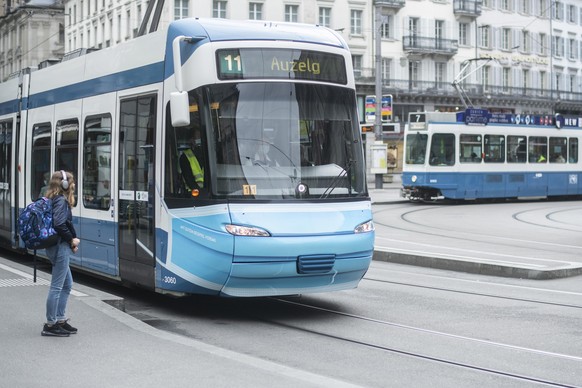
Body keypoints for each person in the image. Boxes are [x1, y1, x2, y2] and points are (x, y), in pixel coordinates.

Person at [41, 170, 80, 337]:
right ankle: (50, 324)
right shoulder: (60, 201)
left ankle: (60, 319)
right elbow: (59, 224)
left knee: (67, 285)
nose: (73, 185)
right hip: (60, 246)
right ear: (64, 185)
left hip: (56, 246)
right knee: (57, 286)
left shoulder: (52, 199)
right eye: (71, 182)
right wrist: (72, 240)